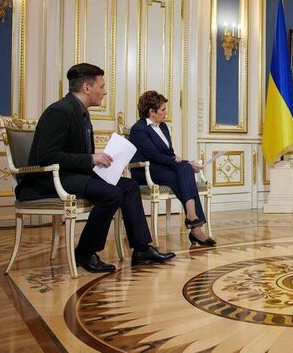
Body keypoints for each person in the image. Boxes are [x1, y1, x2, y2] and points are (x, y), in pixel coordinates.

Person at [15, 63, 175, 273]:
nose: (105, 91)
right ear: (86, 88)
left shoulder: (80, 112)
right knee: (112, 193)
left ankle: (142, 249)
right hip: (47, 180)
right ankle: (84, 251)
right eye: (102, 86)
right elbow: (47, 157)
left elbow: (76, 155)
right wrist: (91, 158)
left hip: (72, 175)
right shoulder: (59, 111)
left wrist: (106, 162)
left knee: (129, 186)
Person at [129, 91, 215, 246]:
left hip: (164, 168)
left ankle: (192, 217)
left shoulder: (163, 127)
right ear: (151, 111)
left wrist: (184, 162)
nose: (166, 113)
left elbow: (170, 153)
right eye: (163, 109)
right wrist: (184, 163)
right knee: (184, 171)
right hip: (146, 171)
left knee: (184, 169)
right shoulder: (138, 129)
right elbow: (153, 155)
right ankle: (195, 227)